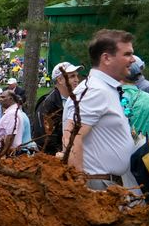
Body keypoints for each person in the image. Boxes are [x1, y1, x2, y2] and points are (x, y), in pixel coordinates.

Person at [67, 29, 138, 190]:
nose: (133, 59)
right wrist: (79, 189)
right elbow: (71, 137)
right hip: (97, 186)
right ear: (106, 58)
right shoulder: (95, 91)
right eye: (127, 54)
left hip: (108, 183)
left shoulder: (105, 89)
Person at [35, 62, 80, 155]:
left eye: (76, 76)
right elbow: (43, 137)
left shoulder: (79, 99)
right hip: (55, 159)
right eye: (72, 76)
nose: (77, 80)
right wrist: (60, 154)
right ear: (60, 80)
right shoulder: (47, 104)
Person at [0, 90, 24, 156]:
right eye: (0, 97)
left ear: (11, 99)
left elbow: (10, 135)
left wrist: (4, 153)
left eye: (3, 97)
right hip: (5, 149)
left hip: (4, 150)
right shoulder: (12, 112)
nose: (0, 99)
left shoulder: (12, 113)